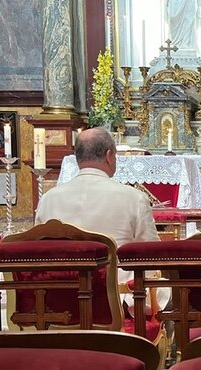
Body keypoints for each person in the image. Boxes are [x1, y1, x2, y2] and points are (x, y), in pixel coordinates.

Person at [35, 127, 164, 314]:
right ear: (109, 155)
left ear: (78, 157)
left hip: (61, 302)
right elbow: (151, 256)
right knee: (166, 290)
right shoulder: (134, 198)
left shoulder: (48, 199)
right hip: (118, 302)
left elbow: (39, 254)